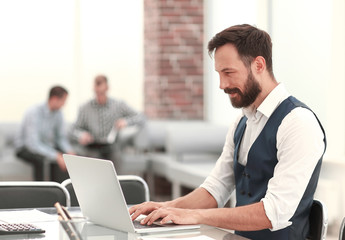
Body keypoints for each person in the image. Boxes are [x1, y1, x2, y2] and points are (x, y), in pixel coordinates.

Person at [129, 24, 326, 240]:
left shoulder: (298, 123)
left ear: (258, 65)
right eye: (219, 74)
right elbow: (216, 188)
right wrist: (165, 208)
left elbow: (273, 212)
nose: (222, 84)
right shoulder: (242, 122)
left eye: (229, 72)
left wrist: (196, 216)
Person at [69, 75, 145, 161]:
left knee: (115, 157)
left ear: (107, 89)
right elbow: (73, 129)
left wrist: (126, 122)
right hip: (91, 149)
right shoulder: (85, 108)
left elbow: (141, 117)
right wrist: (81, 135)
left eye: (102, 93)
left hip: (112, 149)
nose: (99, 96)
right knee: (91, 159)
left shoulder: (118, 105)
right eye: (96, 93)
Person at [15, 86, 74, 182]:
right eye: (63, 101)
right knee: (41, 160)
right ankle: (40, 193)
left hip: (45, 146)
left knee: (64, 158)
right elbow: (33, 144)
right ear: (54, 99)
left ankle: (60, 190)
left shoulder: (58, 114)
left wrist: (69, 151)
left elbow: (60, 138)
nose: (64, 104)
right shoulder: (34, 112)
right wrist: (55, 155)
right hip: (25, 147)